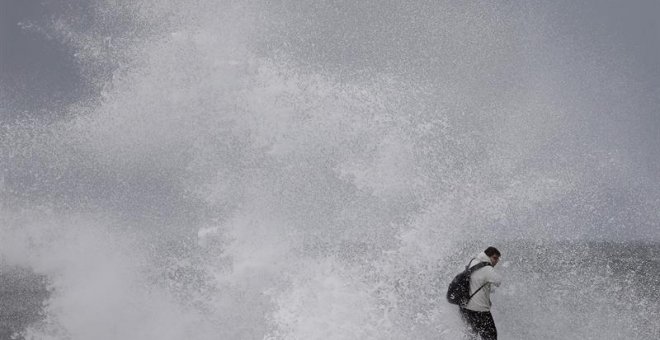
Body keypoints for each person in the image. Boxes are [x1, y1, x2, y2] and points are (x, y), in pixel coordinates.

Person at [459, 246, 502, 340]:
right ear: (488, 256)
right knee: (491, 337)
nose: (497, 261)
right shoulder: (487, 269)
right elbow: (498, 281)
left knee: (471, 336)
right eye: (495, 258)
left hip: (466, 309)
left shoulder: (473, 261)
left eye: (498, 259)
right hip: (480, 311)